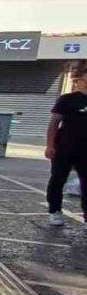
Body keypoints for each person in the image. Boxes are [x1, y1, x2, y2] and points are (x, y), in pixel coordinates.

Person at [46, 63, 87, 227]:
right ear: (83, 76)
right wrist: (50, 145)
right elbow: (54, 122)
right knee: (57, 179)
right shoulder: (67, 99)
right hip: (64, 148)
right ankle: (55, 211)